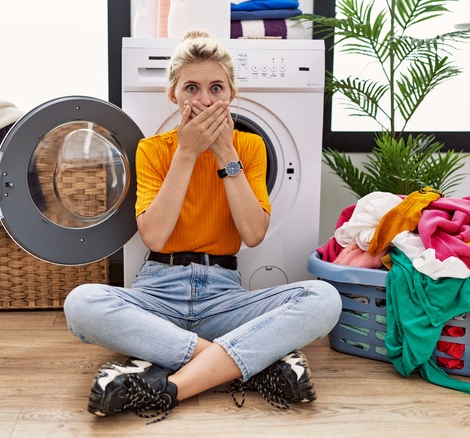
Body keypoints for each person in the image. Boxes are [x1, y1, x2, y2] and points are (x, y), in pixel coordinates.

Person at [63, 29, 342, 422]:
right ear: (173, 95)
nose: (205, 99)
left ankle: (170, 385)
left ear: (231, 95)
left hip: (223, 298)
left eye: (216, 88)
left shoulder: (249, 148)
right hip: (157, 292)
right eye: (191, 87)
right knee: (81, 304)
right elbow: (155, 235)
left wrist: (225, 151)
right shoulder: (153, 150)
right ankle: (249, 363)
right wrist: (187, 153)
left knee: (324, 299)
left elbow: (253, 233)